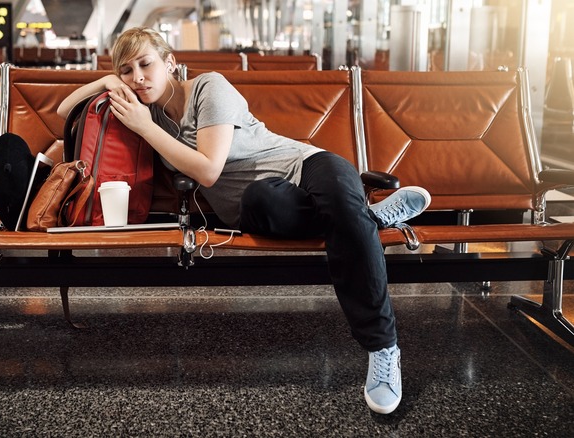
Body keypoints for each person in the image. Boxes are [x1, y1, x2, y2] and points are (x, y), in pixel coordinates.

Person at [57, 27, 431, 415]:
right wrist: (105, 80)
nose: (137, 77)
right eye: (127, 70)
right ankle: (367, 218)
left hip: (306, 165)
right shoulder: (145, 111)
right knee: (285, 202)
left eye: (146, 64)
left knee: (339, 197)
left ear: (170, 63)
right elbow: (65, 112)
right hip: (258, 205)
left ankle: (382, 348)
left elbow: (208, 170)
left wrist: (144, 126)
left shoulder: (209, 88)